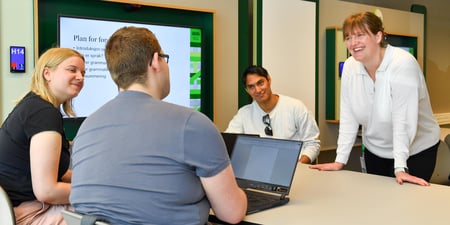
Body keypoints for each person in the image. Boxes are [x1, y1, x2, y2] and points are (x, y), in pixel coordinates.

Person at [70, 26, 247, 225]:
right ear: (155, 61)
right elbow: (232, 213)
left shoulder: (86, 128)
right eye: (164, 58)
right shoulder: (192, 123)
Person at [310, 12, 440, 186]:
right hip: (375, 149)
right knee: (378, 203)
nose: (353, 42)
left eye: (360, 35)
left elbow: (403, 121)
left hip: (415, 150)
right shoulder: (350, 66)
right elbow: (349, 116)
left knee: (406, 207)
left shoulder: (403, 64)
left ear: (378, 36)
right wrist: (339, 160)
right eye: (348, 37)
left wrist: (400, 167)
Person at [0, 47, 85, 224]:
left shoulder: (34, 105)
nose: (80, 77)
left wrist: (90, 178)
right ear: (47, 73)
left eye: (83, 72)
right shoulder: (43, 114)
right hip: (26, 213)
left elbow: (54, 172)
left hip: (17, 207)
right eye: (72, 70)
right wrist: (94, 190)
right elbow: (47, 191)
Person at [225, 65, 320, 164]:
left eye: (260, 83)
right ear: (247, 90)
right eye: (251, 87)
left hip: (293, 167)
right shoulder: (243, 114)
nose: (257, 90)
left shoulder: (295, 107)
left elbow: (312, 144)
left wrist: (298, 167)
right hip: (259, 169)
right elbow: (230, 143)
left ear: (269, 80)